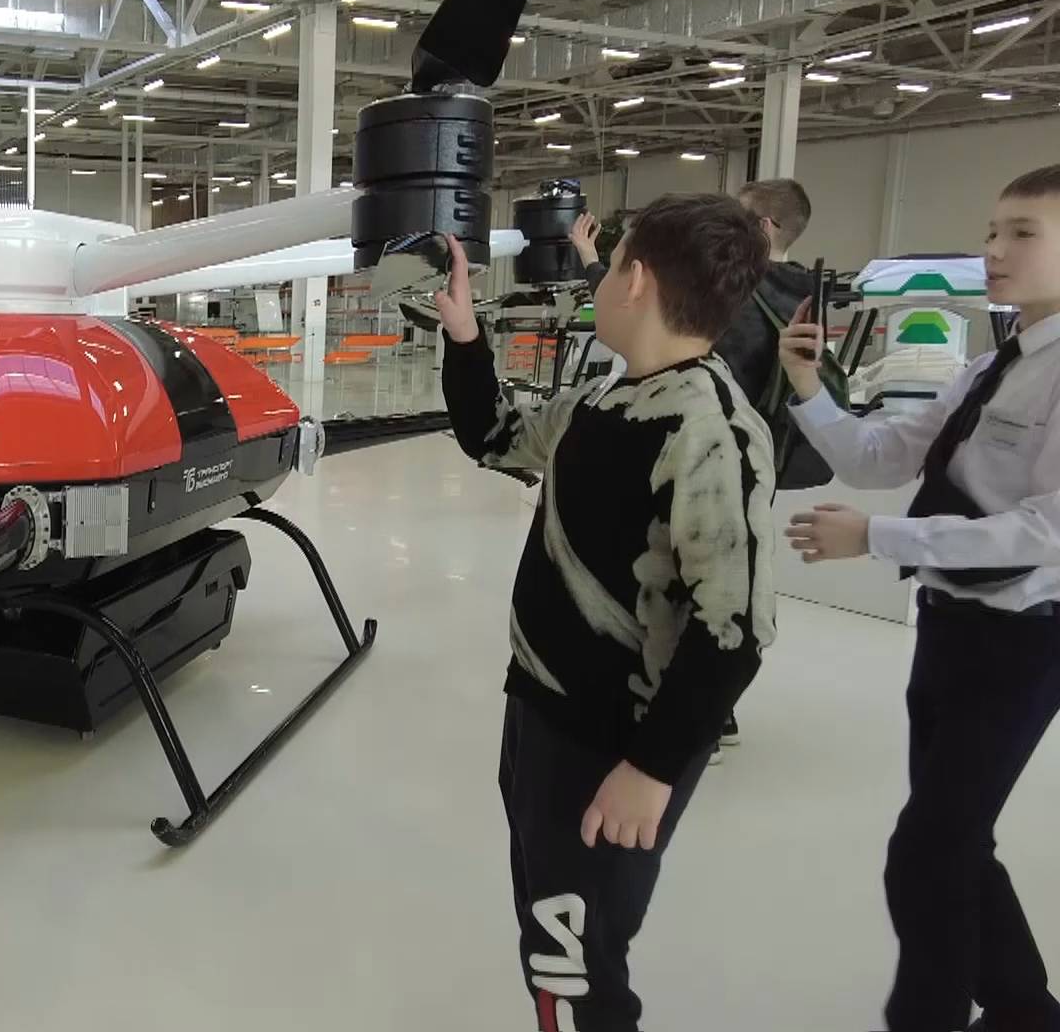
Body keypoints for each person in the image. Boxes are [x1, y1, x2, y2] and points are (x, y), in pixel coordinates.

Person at [437, 192, 778, 1032]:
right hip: (543, 713)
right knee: (548, 933)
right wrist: (465, 336)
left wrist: (652, 769)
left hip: (614, 747)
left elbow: (734, 631)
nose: (601, 276)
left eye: (612, 260)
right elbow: (494, 435)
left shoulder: (709, 430)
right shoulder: (605, 400)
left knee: (576, 962)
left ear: (636, 279)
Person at [781, 163, 1060, 1032]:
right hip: (946, 632)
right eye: (992, 231)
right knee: (956, 841)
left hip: (1023, 642)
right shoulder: (987, 369)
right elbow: (881, 457)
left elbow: (1044, 533)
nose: (994, 250)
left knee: (926, 854)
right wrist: (808, 387)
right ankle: (1024, 1011)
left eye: (1023, 233)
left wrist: (877, 538)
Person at [571, 179, 819, 762]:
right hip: (758, 453)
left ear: (762, 229)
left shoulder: (729, 291)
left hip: (696, 446)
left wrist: (593, 262)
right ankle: (713, 712)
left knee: (679, 584)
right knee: (717, 575)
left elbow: (661, 331)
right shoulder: (803, 295)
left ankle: (680, 721)